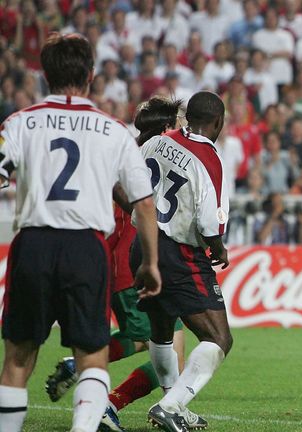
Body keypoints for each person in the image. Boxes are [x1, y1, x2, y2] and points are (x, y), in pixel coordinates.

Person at [0, 33, 161, 432]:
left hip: (33, 244)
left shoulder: (20, 123)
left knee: (18, 358)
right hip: (86, 248)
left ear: (45, 75)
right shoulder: (113, 130)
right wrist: (152, 263)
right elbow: (143, 202)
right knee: (92, 356)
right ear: (90, 75)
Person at [42, 96, 207, 432]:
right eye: (176, 126)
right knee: (169, 347)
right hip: (132, 265)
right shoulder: (146, 160)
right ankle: (116, 403)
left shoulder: (123, 153)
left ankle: (155, 404)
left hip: (111, 260)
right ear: (164, 128)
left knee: (157, 339)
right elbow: (149, 212)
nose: (180, 133)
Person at [133, 91, 233, 432]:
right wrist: (219, 249)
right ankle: (171, 404)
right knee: (219, 338)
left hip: (142, 245)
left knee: (162, 331)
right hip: (179, 253)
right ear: (218, 122)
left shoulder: (156, 141)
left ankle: (171, 402)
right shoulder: (210, 160)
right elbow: (209, 225)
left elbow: (131, 185)